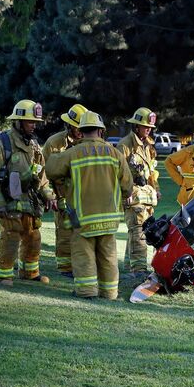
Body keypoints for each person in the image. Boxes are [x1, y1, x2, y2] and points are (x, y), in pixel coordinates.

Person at [45, 111, 133, 300]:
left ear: (81, 130)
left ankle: (86, 292)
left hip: (82, 218)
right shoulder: (116, 154)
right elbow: (128, 187)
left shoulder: (72, 153)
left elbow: (51, 170)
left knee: (83, 256)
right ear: (101, 131)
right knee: (108, 257)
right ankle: (110, 293)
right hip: (109, 219)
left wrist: (56, 156)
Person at [0, 99, 57, 286]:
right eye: (30, 121)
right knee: (11, 236)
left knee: (33, 237)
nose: (34, 125)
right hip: (9, 201)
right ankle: (4, 274)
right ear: (17, 121)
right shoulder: (2, 143)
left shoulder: (34, 146)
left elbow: (42, 177)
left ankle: (29, 273)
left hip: (30, 202)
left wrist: (49, 196)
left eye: (36, 122)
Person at [42, 103, 87, 277]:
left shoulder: (88, 143)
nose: (80, 131)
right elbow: (43, 173)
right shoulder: (54, 143)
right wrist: (52, 196)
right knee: (64, 232)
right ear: (69, 125)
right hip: (62, 195)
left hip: (84, 196)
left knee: (84, 233)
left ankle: (83, 265)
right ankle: (65, 268)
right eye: (77, 127)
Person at [117, 107, 161, 275]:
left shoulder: (148, 145)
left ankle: (129, 268)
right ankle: (139, 271)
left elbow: (151, 171)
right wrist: (125, 193)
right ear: (136, 126)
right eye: (145, 126)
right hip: (133, 197)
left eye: (150, 127)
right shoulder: (124, 145)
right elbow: (118, 172)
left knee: (137, 232)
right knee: (138, 232)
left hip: (147, 197)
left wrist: (156, 189)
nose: (148, 129)